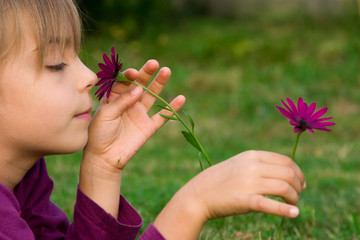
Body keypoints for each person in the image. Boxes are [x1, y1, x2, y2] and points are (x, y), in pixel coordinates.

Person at [0, 0, 306, 239]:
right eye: (55, 64)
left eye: (77, 56)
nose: (90, 76)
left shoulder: (26, 181)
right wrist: (192, 205)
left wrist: (102, 167)